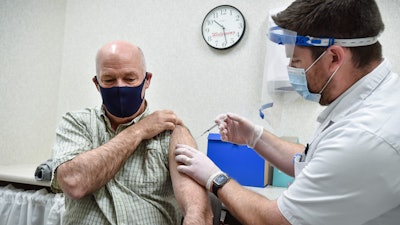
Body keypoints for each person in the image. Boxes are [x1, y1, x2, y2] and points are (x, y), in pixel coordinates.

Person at [174, 0, 400, 224]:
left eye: (296, 60)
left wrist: (216, 178)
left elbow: (276, 221)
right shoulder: (370, 100)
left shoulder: (366, 134)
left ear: (334, 58)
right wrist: (255, 137)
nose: (291, 68)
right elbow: (315, 161)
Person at [51, 40, 213, 225]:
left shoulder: (171, 131)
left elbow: (198, 212)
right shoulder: (76, 123)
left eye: (130, 79)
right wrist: (139, 130)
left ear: (147, 80)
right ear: (97, 83)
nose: (120, 87)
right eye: (109, 80)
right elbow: (74, 182)